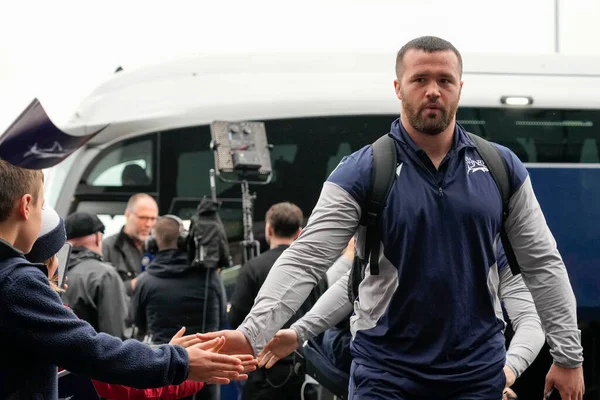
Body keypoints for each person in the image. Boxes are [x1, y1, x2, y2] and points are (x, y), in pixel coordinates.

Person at [197, 36, 585, 400]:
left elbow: (542, 264)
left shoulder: (501, 167)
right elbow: (306, 257)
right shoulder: (362, 171)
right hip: (385, 376)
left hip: (475, 375)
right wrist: (253, 332)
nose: (433, 89)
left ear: (460, 88)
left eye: (444, 80)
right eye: (420, 79)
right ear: (398, 88)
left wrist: (568, 355)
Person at [0, 160, 255, 399]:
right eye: (41, 205)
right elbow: (94, 350)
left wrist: (165, 356)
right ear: (25, 205)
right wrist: (178, 361)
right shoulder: (17, 282)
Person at [257, 242, 544, 399]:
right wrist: (299, 332)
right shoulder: (404, 233)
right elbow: (352, 282)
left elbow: (531, 320)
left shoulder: (498, 246)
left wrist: (506, 371)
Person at [26, 205, 209, 400]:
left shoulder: (19, 297)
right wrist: (184, 366)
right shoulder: (51, 308)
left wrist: (164, 356)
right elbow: (116, 360)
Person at [227, 202, 328, 400]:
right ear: (299, 232)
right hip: (305, 372)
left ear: (269, 229)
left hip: (263, 372)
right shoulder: (316, 271)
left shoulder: (253, 267)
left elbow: (237, 317)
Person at [132, 214, 227, 400]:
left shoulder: (145, 282)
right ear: (184, 241)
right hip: (207, 374)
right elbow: (223, 314)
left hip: (167, 371)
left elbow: (138, 323)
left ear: (152, 243)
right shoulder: (210, 277)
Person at [62, 211, 129, 338]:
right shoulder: (104, 275)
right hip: (91, 356)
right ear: (98, 238)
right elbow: (115, 336)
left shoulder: (49, 271)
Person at [103, 193, 158, 295]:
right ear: (128, 215)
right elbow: (100, 290)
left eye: (153, 219)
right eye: (143, 218)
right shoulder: (107, 247)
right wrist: (131, 286)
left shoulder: (160, 248)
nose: (148, 224)